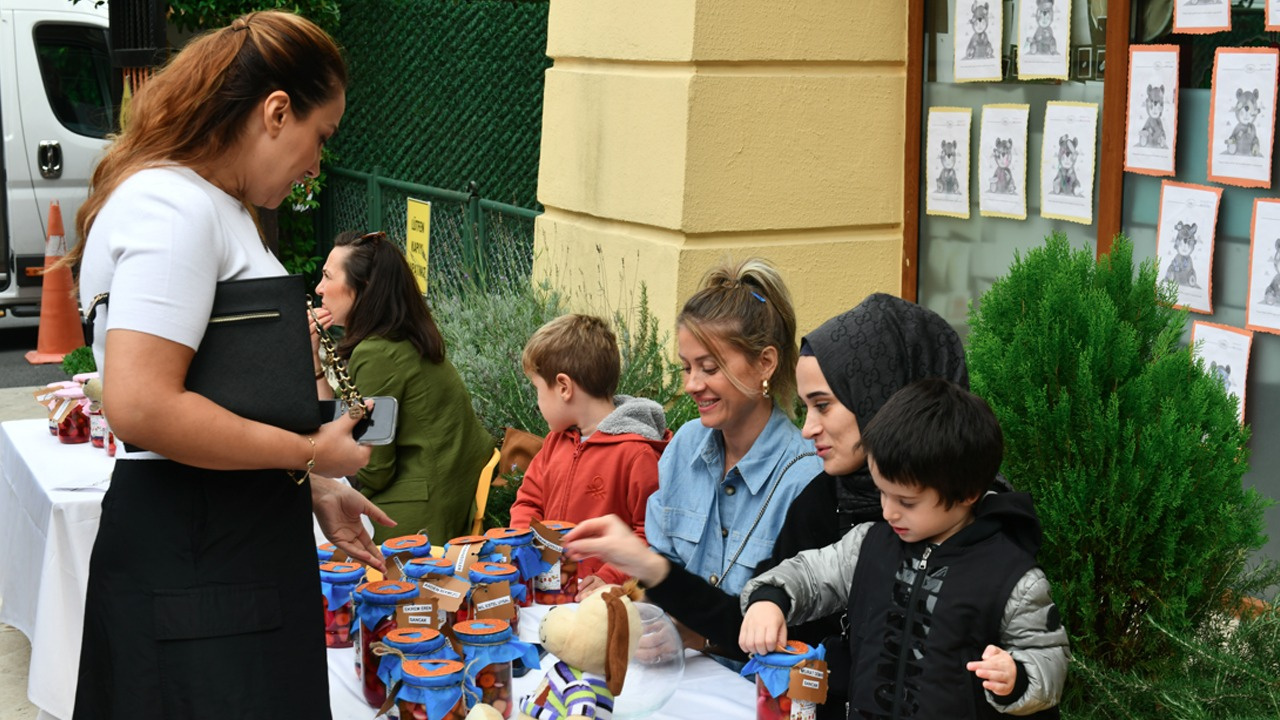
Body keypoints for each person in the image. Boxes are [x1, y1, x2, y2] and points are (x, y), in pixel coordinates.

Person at [70, 12, 388, 717]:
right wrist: (309, 451)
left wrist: (309, 487)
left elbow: (219, 390)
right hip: (201, 560)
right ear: (277, 111)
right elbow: (144, 405)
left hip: (212, 552)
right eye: (320, 136)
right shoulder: (175, 207)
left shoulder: (200, 204)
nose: (316, 164)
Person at [567, 293, 979, 717]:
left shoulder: (975, 531)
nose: (808, 429)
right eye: (806, 408)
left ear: (881, 400)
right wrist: (648, 573)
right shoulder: (826, 500)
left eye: (823, 406)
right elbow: (756, 625)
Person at [739, 378, 1069, 717]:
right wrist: (770, 601)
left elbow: (1049, 659)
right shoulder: (868, 545)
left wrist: (1015, 677)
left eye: (906, 501)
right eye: (882, 492)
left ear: (968, 493)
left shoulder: (1013, 578)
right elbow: (809, 574)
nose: (888, 511)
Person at [575, 259, 822, 624]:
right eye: (686, 367)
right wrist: (626, 598)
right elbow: (659, 571)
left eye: (709, 368)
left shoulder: (805, 478)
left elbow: (795, 627)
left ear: (765, 363)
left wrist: (696, 634)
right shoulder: (685, 446)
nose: (691, 384)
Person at [312, 230, 495, 543]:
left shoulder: (376, 354)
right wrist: (312, 358)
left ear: (364, 288)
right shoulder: (401, 334)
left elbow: (372, 470)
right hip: (446, 491)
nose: (319, 289)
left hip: (417, 516)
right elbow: (344, 423)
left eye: (328, 277)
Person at [508, 313, 671, 585]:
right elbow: (528, 502)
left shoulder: (636, 454)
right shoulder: (554, 444)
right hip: (549, 591)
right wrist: (527, 551)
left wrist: (609, 578)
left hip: (602, 605)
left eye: (537, 389)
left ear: (564, 387)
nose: (537, 402)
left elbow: (650, 535)